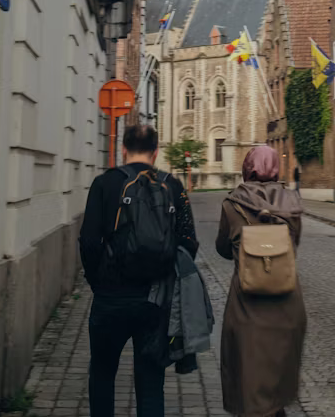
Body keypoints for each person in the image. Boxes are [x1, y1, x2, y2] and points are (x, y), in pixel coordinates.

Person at [79, 124, 198, 417]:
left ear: (123, 149)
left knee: (103, 374)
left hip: (110, 297)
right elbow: (188, 243)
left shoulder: (104, 184)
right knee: (150, 380)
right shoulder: (173, 186)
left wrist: (99, 283)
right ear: (156, 152)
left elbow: (89, 242)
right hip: (155, 300)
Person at [216, 145, 306, 417]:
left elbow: (221, 247)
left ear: (247, 168)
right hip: (287, 305)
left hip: (247, 306)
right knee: (276, 388)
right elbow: (294, 244)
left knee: (250, 383)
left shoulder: (232, 203)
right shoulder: (292, 203)